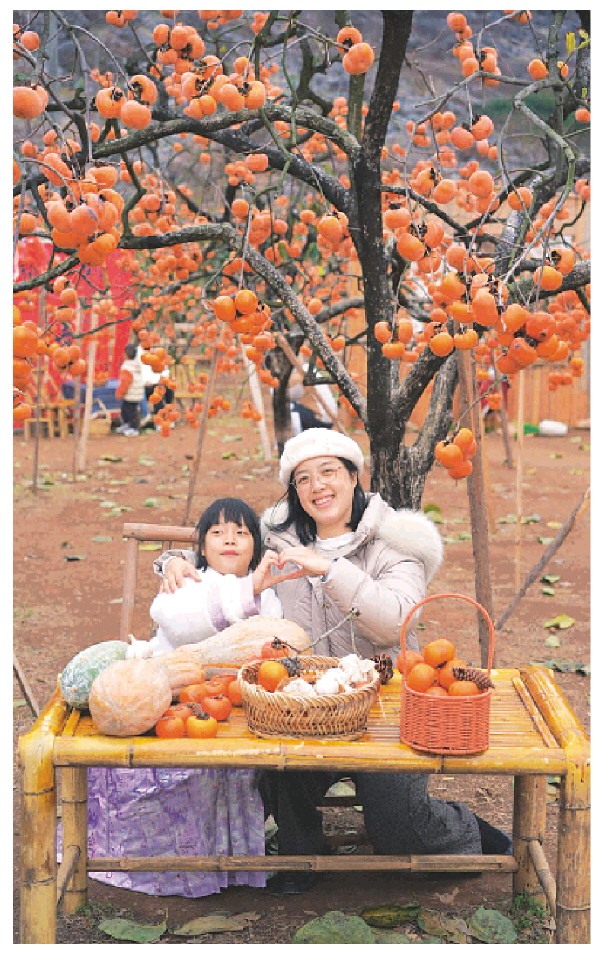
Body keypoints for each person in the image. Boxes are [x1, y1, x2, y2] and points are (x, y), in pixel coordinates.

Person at [159, 430, 512, 895]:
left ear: (353, 476)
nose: (317, 486)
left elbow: (395, 622)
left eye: (328, 472)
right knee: (278, 777)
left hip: (384, 710)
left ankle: (470, 836)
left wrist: (329, 569)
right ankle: (302, 856)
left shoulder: (393, 542)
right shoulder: (278, 539)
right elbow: (225, 549)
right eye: (303, 478)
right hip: (306, 706)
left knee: (397, 831)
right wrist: (174, 561)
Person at [86, 497, 288, 898]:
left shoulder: (267, 593)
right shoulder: (189, 580)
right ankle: (160, 856)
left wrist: (254, 591)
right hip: (174, 701)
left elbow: (272, 644)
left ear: (256, 545)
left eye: (241, 533)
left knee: (238, 768)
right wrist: (243, 591)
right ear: (202, 546)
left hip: (235, 709)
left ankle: (225, 860)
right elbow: (176, 622)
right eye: (218, 532)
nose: (229, 540)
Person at [115, 343, 144, 436]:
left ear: (125, 355)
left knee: (130, 411)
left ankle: (134, 428)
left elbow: (125, 382)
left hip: (130, 393)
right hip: (137, 392)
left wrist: (120, 393)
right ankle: (127, 424)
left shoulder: (126, 367)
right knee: (125, 409)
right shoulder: (136, 365)